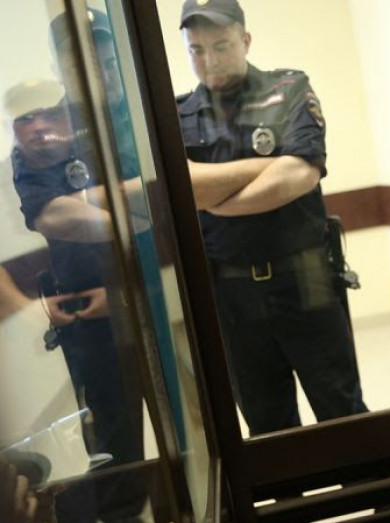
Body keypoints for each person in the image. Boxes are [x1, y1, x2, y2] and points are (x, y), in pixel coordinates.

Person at [176, 0, 367, 435]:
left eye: (221, 46)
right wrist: (268, 166)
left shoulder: (289, 89)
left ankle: (372, 482)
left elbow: (299, 174)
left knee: (341, 406)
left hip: (306, 277)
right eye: (196, 50)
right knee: (266, 423)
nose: (209, 60)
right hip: (231, 291)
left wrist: (218, 201)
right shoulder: (177, 115)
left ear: (245, 40)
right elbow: (184, 187)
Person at [5, 75, 146, 522]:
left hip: (114, 316)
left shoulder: (99, 154)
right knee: (58, 440)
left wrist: (121, 295)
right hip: (38, 329)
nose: (38, 126)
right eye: (25, 118)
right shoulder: (14, 172)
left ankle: (123, 515)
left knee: (121, 433)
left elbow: (147, 222)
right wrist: (29, 310)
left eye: (48, 114)